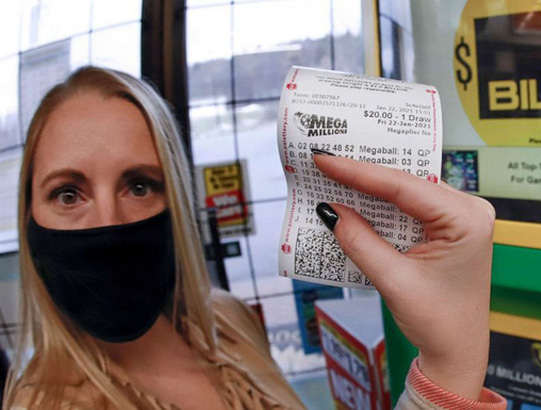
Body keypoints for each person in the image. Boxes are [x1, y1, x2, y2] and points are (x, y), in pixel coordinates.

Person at [3, 66, 506, 409]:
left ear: (174, 198)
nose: (109, 222)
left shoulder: (228, 321)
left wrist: (448, 365)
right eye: (68, 194)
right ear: (30, 216)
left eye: (139, 186)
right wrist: (449, 372)